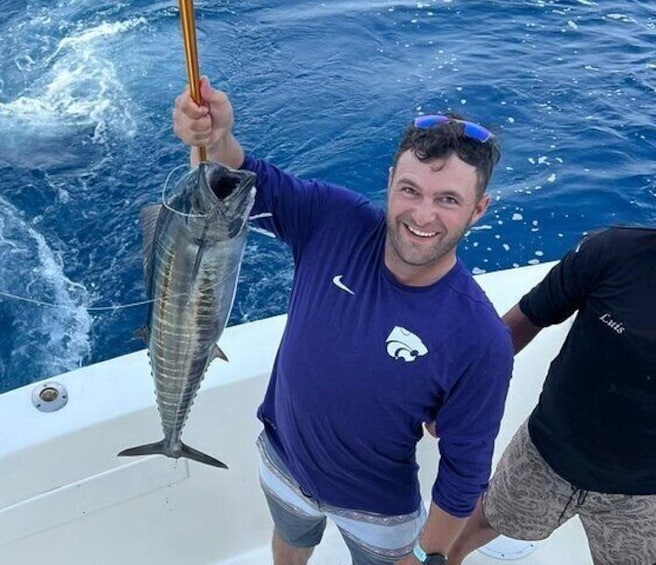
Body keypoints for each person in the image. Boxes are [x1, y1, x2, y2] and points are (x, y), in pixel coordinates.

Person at [173, 77, 514, 565]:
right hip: (281, 460)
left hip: (380, 512)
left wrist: (423, 555)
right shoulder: (332, 219)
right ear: (390, 179)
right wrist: (217, 137)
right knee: (289, 541)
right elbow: (239, 180)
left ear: (478, 209)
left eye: (447, 200)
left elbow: (464, 475)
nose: (422, 214)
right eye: (410, 189)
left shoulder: (480, 339)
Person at [447, 226, 656, 565]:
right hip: (543, 453)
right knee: (486, 518)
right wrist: (457, 393)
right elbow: (525, 319)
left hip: (644, 497)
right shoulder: (612, 251)